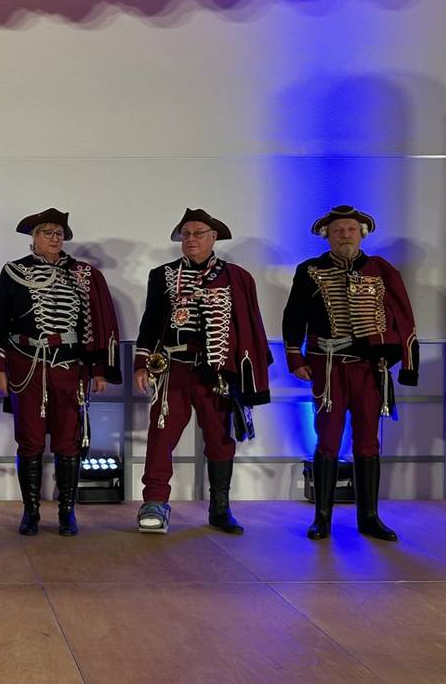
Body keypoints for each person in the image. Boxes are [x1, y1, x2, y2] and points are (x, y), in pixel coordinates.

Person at [282, 205, 419, 542]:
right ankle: (322, 518)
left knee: (368, 439)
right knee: (327, 438)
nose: (345, 235)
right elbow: (293, 317)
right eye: (338, 230)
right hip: (327, 366)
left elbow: (404, 315)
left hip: (369, 368)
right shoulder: (309, 270)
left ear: (361, 234)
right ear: (327, 236)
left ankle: (369, 517)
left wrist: (407, 362)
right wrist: (294, 357)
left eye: (351, 230)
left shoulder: (381, 270)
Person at [133, 209, 272, 535]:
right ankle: (154, 502)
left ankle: (220, 508)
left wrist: (245, 376)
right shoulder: (163, 274)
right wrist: (142, 363)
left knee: (219, 439)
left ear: (213, 238)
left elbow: (249, 326)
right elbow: (151, 321)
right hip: (173, 368)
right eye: (186, 234)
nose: (191, 239)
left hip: (217, 373)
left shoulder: (237, 277)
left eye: (198, 233)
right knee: (161, 436)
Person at [0, 209, 121, 537]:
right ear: (33, 237)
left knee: (68, 441)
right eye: (47, 232)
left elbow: (100, 323)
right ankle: (31, 512)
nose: (54, 238)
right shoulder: (13, 271)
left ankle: (67, 512)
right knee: (30, 440)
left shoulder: (85, 274)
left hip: (70, 367)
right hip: (26, 366)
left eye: (59, 233)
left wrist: (99, 371)